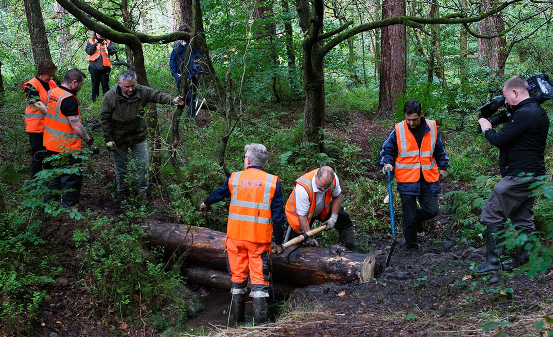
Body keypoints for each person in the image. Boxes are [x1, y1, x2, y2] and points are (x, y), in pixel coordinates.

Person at [199, 144, 285, 324]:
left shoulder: (235, 178)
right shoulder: (272, 182)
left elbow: (219, 194)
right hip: (258, 241)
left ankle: (237, 322)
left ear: (248, 160)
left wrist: (205, 203)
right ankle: (260, 326)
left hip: (235, 239)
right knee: (259, 280)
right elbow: (278, 217)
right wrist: (277, 241)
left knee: (237, 278)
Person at [476, 76, 549, 274]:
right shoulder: (534, 112)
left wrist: (487, 128)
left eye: (506, 97)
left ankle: (493, 262)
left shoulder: (526, 114)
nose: (505, 101)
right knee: (522, 217)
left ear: (515, 93)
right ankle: (525, 257)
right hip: (533, 175)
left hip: (520, 176)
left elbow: (500, 139)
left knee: (492, 213)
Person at [100, 70, 185, 204]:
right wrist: (108, 139)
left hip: (138, 135)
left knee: (142, 165)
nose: (130, 89)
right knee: (120, 167)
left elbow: (157, 95)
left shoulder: (141, 91)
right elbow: (105, 119)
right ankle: (122, 192)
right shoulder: (110, 97)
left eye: (132, 85)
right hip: (118, 138)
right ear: (119, 83)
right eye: (127, 86)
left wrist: (173, 100)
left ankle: (142, 193)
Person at [379, 99, 450, 249]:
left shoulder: (431, 127)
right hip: (406, 179)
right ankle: (411, 245)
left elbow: (439, 149)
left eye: (414, 119)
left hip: (427, 177)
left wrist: (443, 168)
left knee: (432, 210)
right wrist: (387, 163)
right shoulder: (398, 129)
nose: (411, 123)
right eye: (408, 119)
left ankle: (415, 221)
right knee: (408, 216)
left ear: (421, 114)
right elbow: (387, 149)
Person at [43, 68, 98, 208]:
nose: (80, 87)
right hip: (66, 147)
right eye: (81, 84)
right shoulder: (69, 99)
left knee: (54, 177)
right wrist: (90, 142)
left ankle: (50, 207)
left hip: (50, 144)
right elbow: (77, 127)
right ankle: (69, 209)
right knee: (70, 179)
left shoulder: (53, 92)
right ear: (74, 82)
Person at [285, 165, 357, 251]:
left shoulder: (332, 179)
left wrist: (333, 218)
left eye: (326, 187)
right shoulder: (303, 189)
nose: (323, 189)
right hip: (299, 215)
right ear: (316, 177)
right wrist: (309, 236)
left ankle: (350, 249)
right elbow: (302, 216)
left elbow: (337, 196)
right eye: (320, 186)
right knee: (294, 248)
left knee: (344, 219)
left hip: (321, 208)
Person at [23, 59, 58, 178]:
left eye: (52, 75)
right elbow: (37, 104)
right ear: (41, 72)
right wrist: (53, 114)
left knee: (49, 153)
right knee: (38, 155)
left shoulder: (52, 83)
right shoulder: (31, 85)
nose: (51, 78)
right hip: (36, 127)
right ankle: (36, 181)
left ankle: (49, 178)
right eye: (49, 75)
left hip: (49, 127)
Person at [169, 24, 201, 117]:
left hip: (191, 75)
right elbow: (172, 60)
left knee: (192, 96)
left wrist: (196, 72)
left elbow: (198, 59)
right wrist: (175, 73)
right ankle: (180, 116)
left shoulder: (193, 45)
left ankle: (191, 116)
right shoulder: (177, 46)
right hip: (180, 76)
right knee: (183, 96)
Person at [85, 31, 116, 102]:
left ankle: (108, 102)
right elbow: (88, 51)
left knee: (105, 85)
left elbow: (112, 51)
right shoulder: (91, 41)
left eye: (100, 32)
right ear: (95, 33)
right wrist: (94, 44)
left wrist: (106, 47)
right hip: (94, 66)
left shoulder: (108, 41)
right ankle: (94, 102)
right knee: (95, 85)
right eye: (97, 33)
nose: (99, 34)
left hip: (105, 67)